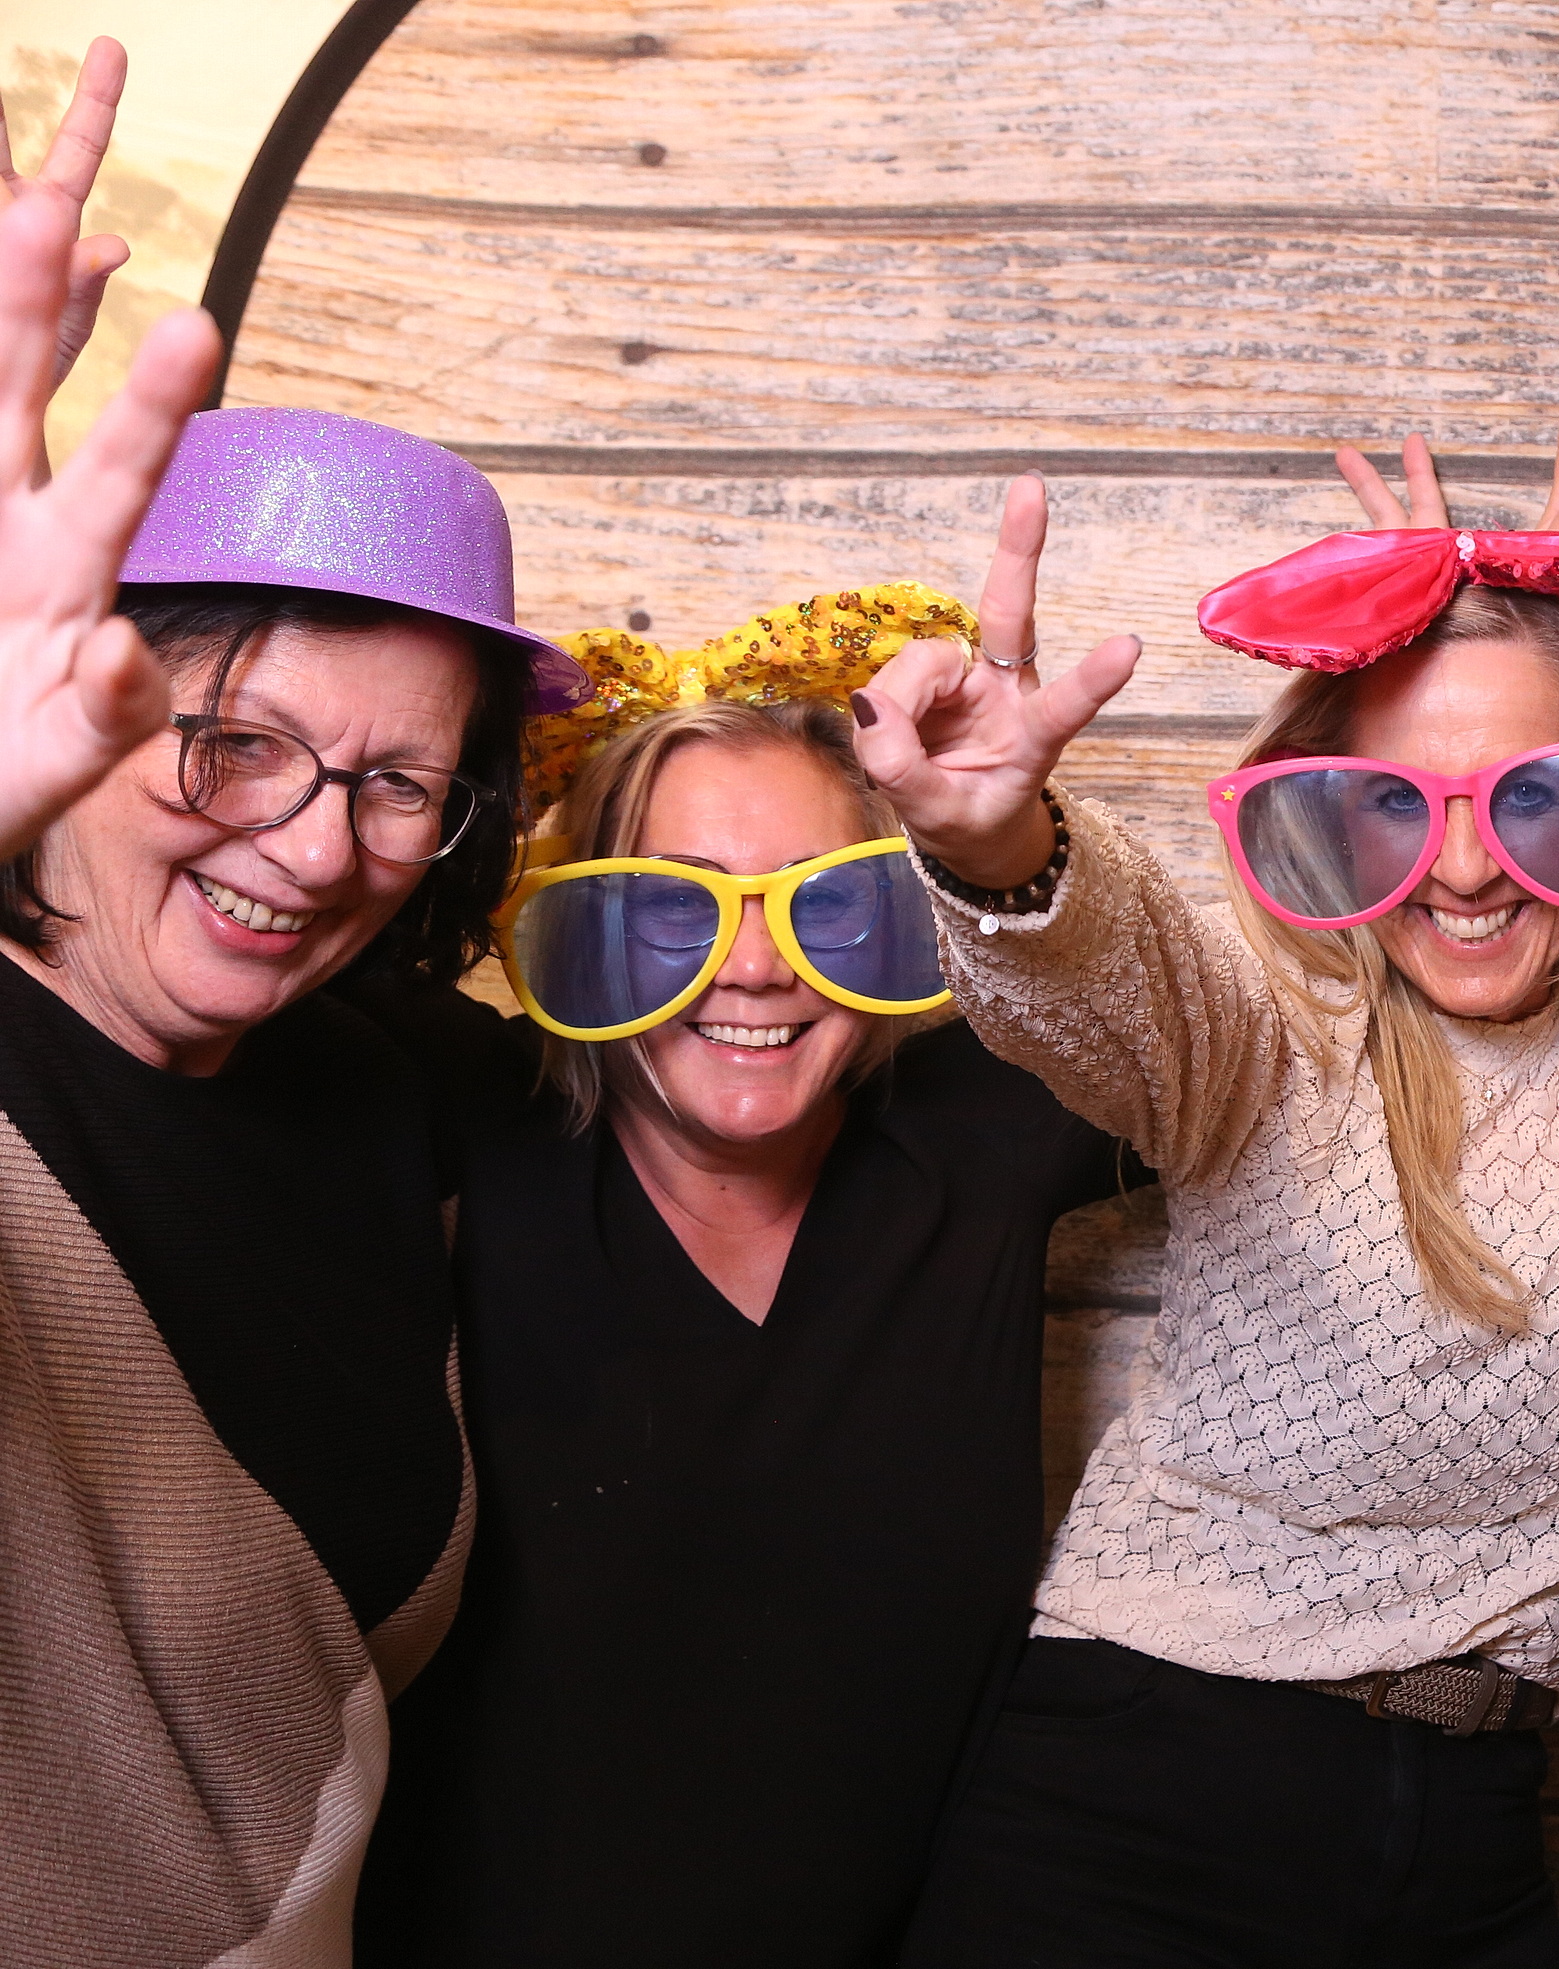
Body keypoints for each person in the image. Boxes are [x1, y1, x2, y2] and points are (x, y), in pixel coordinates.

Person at [874, 364, 1559, 1968]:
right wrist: (997, 843)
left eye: (1531, 798)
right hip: (1135, 1796)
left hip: (1468, 1826)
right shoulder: (1277, 1021)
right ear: (1320, 813)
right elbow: (1105, 971)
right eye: (1396, 802)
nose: (1460, 867)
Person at [0, 45, 575, 1961]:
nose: (316, 849)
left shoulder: (392, 1083)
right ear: (76, 702)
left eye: (397, 781)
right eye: (233, 740)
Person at [354, 590, 1133, 1967]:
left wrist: (1009, 851)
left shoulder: (980, 1133)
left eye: (824, 901)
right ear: (577, 929)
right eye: (673, 906)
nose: (758, 966)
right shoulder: (458, 1119)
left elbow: (1266, 1032)